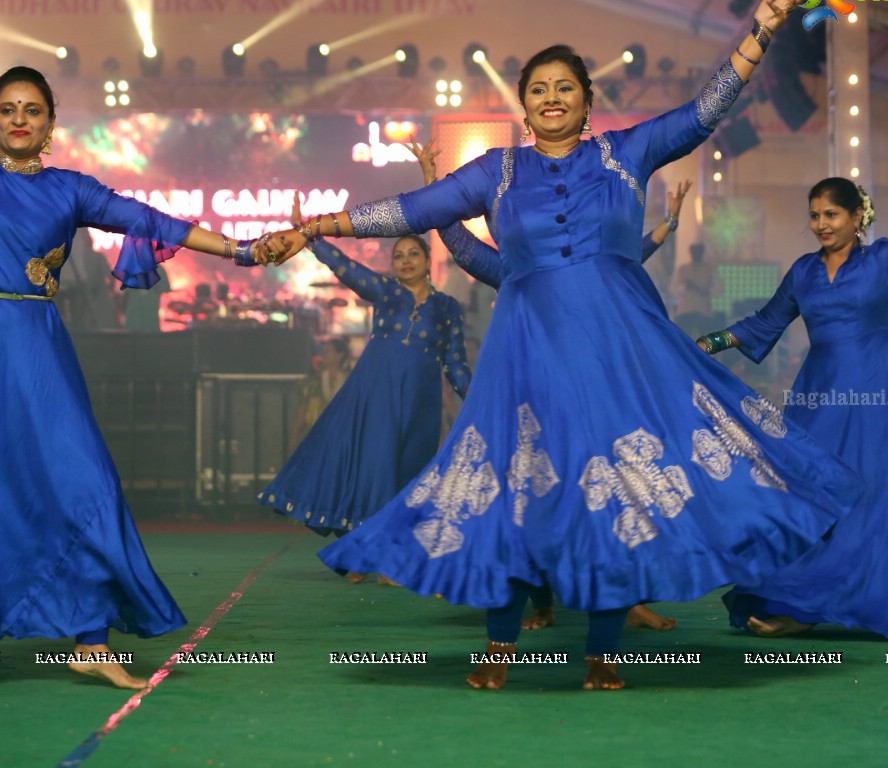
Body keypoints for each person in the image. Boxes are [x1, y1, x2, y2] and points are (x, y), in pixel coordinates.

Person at [266, 0, 863, 692]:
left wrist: (759, 33)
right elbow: (412, 208)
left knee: (612, 490)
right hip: (527, 353)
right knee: (515, 490)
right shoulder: (496, 170)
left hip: (620, 353)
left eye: (566, 88)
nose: (553, 98)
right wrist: (317, 227)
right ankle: (498, 645)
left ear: (586, 100)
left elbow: (704, 112)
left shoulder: (624, 152)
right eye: (539, 90)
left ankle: (603, 651)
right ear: (524, 108)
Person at [0, 0, 277, 690]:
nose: (20, 119)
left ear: (52, 122)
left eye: (33, 109)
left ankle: (91, 639)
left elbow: (152, 221)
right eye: (8, 108)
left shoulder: (72, 190)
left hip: (32, 345)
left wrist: (242, 249)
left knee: (79, 474)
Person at [702, 116, 888, 640]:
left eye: (831, 214)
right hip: (819, 391)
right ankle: (799, 606)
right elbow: (766, 322)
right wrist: (706, 345)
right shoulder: (803, 271)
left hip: (879, 385)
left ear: (858, 216)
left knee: (884, 492)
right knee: (809, 490)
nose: (820, 224)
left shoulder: (884, 259)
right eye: (814, 215)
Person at [408, 140, 686, 634]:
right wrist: (437, 190)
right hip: (534, 392)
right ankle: (537, 608)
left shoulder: (596, 258)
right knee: (530, 498)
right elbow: (461, 244)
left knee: (616, 491)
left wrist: (667, 227)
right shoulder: (510, 269)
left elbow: (631, 253)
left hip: (599, 382)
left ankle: (627, 603)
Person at [256, 228, 471, 575]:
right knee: (376, 470)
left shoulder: (447, 307)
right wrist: (313, 239)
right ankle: (367, 556)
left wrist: (478, 400)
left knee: (409, 475)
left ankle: (388, 557)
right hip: (377, 394)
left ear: (428, 261)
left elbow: (456, 363)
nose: (405, 261)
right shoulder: (385, 293)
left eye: (413, 254)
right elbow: (347, 268)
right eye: (398, 256)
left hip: (422, 400)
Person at [288, 337, 353, 449]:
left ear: (339, 355)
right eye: (324, 351)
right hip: (317, 436)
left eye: (328, 351)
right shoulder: (314, 382)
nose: (324, 354)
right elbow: (302, 409)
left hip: (343, 438)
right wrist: (294, 435)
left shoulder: (351, 382)